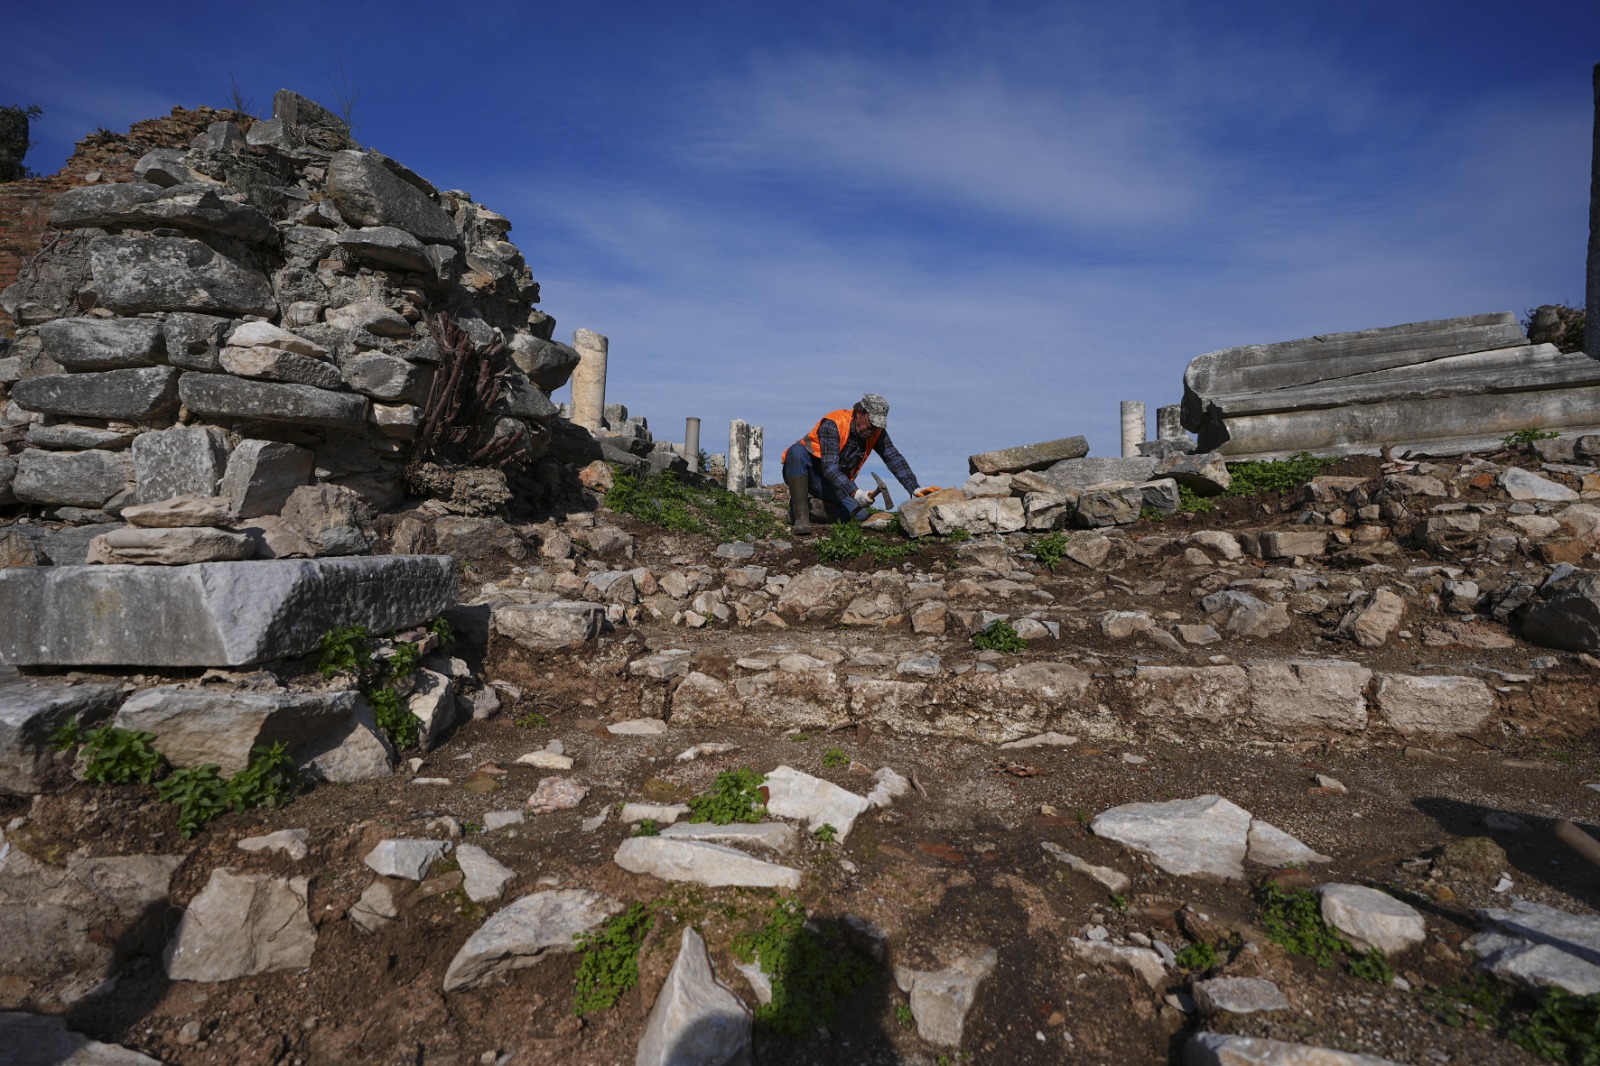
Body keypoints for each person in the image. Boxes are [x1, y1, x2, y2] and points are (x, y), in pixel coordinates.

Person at [780, 393, 933, 536]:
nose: (873, 430)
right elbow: (830, 468)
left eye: (877, 427)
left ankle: (812, 507)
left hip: (831, 484)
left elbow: (893, 458)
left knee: (859, 514)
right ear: (859, 413)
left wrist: (914, 487)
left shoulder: (876, 432)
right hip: (808, 474)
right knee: (797, 451)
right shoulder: (833, 424)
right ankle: (801, 517)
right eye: (871, 424)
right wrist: (856, 493)